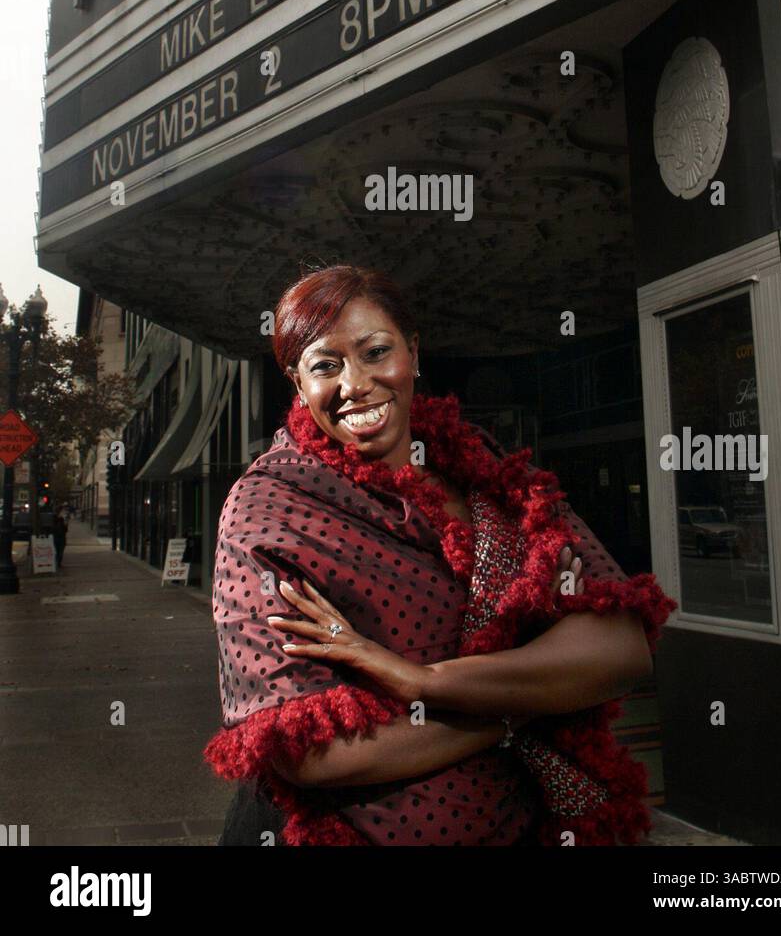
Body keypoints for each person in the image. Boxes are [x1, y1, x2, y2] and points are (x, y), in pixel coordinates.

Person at [204, 265, 676, 846]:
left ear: (414, 352)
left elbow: (622, 649)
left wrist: (424, 681)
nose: (355, 383)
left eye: (376, 351)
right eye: (326, 365)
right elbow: (305, 752)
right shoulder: (268, 510)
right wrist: (533, 697)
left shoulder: (490, 472)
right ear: (297, 382)